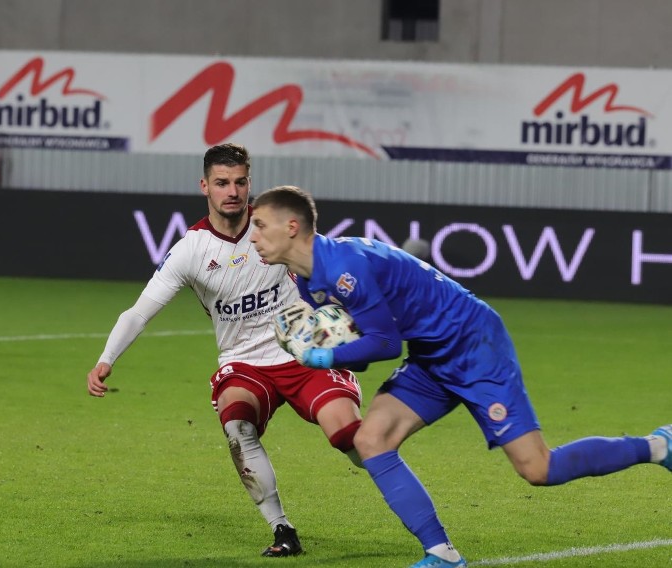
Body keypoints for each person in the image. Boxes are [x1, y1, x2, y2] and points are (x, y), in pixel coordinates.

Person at [249, 185, 672, 568]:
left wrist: (322, 357)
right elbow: (364, 349)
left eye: (260, 226)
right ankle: (442, 554)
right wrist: (321, 349)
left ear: (291, 227)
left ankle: (657, 446)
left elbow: (384, 344)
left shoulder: (345, 266)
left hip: (472, 344)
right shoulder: (308, 282)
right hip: (432, 353)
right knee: (371, 439)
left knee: (538, 468)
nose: (253, 236)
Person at [86, 144, 364, 557]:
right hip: (245, 362)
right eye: (221, 183)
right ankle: (282, 529)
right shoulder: (191, 250)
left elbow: (334, 267)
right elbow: (138, 312)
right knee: (237, 424)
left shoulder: (275, 226)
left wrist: (353, 317)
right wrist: (106, 358)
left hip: (303, 351)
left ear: (249, 183)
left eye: (239, 182)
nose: (231, 191)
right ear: (205, 187)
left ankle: (414, 504)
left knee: (350, 439)